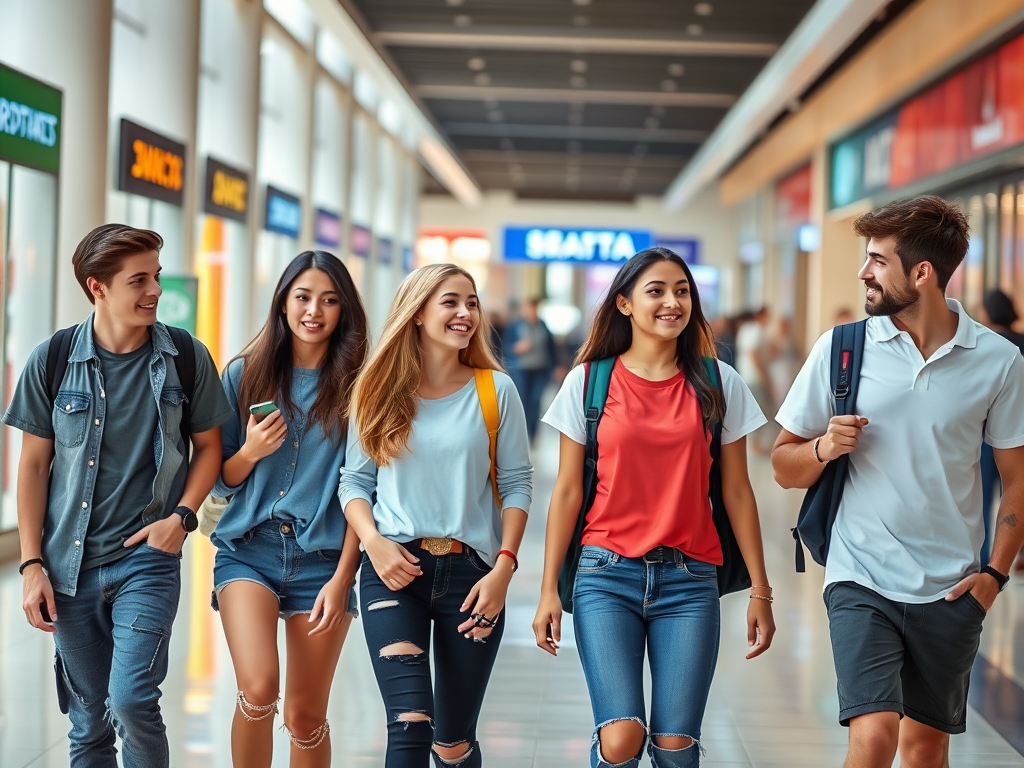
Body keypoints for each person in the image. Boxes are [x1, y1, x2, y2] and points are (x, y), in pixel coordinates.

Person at [773, 196, 1024, 768]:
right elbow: (782, 464)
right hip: (860, 573)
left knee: (925, 747)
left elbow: (1018, 481)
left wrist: (991, 578)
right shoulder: (841, 350)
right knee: (876, 733)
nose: (863, 272)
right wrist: (823, 446)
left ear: (922, 272)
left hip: (953, 586)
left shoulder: (998, 361)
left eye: (877, 261)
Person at [533, 247, 776, 768]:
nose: (672, 302)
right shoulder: (588, 381)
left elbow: (736, 491)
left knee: (674, 743)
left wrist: (761, 589)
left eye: (682, 291)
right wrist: (548, 589)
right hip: (604, 575)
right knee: (620, 737)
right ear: (623, 304)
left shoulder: (718, 381)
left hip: (690, 581)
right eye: (657, 291)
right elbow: (569, 492)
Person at [4, 224, 233, 768]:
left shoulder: (184, 355)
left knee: (132, 702)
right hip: (68, 566)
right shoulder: (53, 359)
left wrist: (182, 517)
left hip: (147, 560)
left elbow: (209, 448)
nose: (155, 289)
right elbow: (34, 466)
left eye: (155, 275)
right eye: (139, 280)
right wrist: (31, 564)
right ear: (97, 287)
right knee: (87, 718)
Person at [339, 263, 533, 768]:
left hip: (475, 577)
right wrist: (374, 545)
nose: (465, 313)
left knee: (452, 741)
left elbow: (515, 485)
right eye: (450, 302)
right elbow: (355, 483)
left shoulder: (496, 391)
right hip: (393, 573)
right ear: (418, 312)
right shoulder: (376, 389)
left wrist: (504, 570)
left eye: (471, 302)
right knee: (409, 727)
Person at [210, 251, 369, 767]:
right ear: (282, 304)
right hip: (248, 551)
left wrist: (343, 578)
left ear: (345, 310)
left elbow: (361, 491)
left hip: (323, 561)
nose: (314, 311)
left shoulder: (360, 387)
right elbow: (221, 480)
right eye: (302, 297)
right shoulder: (243, 375)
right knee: (258, 688)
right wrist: (251, 452)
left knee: (304, 715)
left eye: (329, 300)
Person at [978, 288, 1024, 570]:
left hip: (985, 437)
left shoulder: (987, 346)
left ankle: (984, 563)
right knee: (1016, 492)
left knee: (981, 500)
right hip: (1019, 434)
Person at [505, 297, 557, 441]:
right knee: (523, 400)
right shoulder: (516, 326)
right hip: (522, 369)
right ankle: (524, 431)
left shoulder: (543, 326)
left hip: (540, 368)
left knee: (536, 400)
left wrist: (557, 366)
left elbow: (551, 348)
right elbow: (506, 347)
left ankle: (533, 433)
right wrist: (518, 348)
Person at [734, 306, 773, 453]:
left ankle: (754, 442)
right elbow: (753, 354)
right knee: (758, 408)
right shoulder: (756, 330)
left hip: (745, 374)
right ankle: (754, 443)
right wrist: (764, 375)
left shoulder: (745, 329)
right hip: (754, 377)